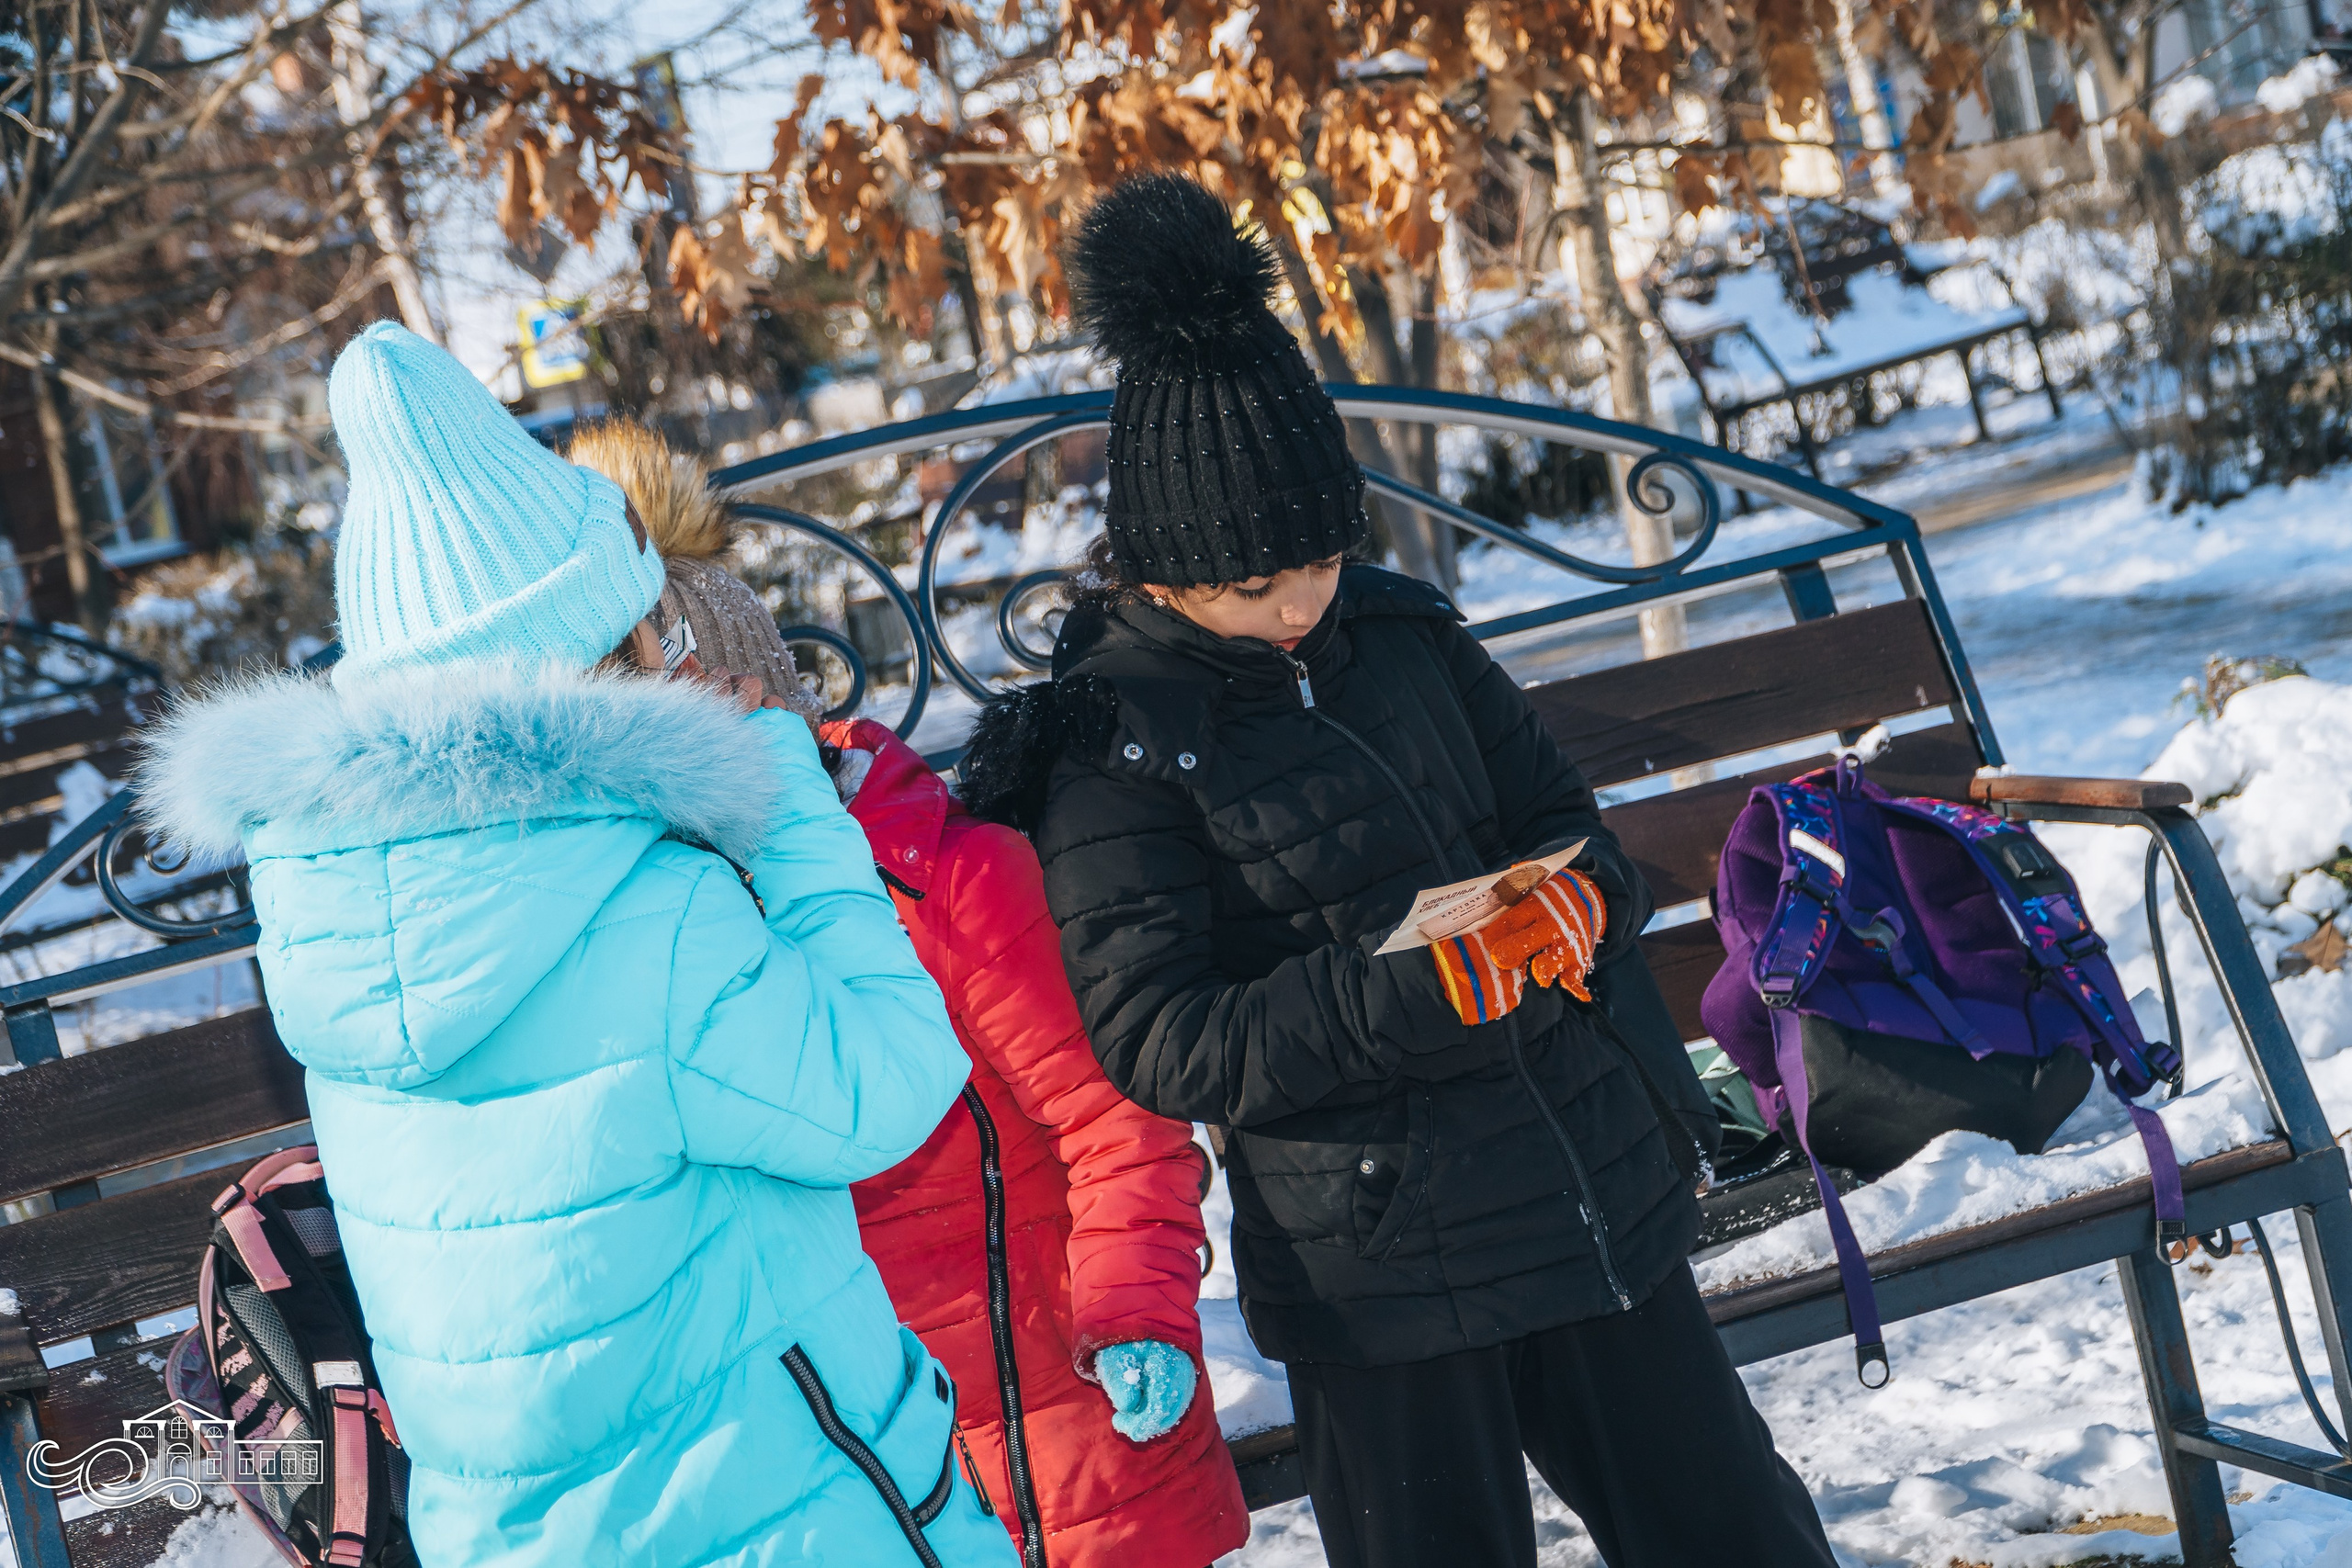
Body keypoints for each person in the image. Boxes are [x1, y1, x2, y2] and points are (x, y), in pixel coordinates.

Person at [964, 174, 1841, 1568]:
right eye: (1263, 585)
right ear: (1171, 566)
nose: (1306, 601)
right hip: (1374, 1259)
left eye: (1324, 557)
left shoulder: (1401, 635)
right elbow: (1159, 1035)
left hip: (1584, 1181)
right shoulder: (1114, 746)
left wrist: (1576, 901)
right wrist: (1416, 990)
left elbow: (1565, 817)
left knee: (1735, 1528)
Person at [133, 321, 1017, 1568]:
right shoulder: (647, 917)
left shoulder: (334, 920)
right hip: (780, 1514)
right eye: (661, 625)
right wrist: (789, 800)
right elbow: (885, 1081)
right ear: (608, 658)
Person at [575, 420, 1251, 1568]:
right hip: (862, 1499)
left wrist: (1135, 1312)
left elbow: (1113, 1122)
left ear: (779, 722)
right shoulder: (653, 946)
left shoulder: (946, 880)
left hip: (1079, 1453)